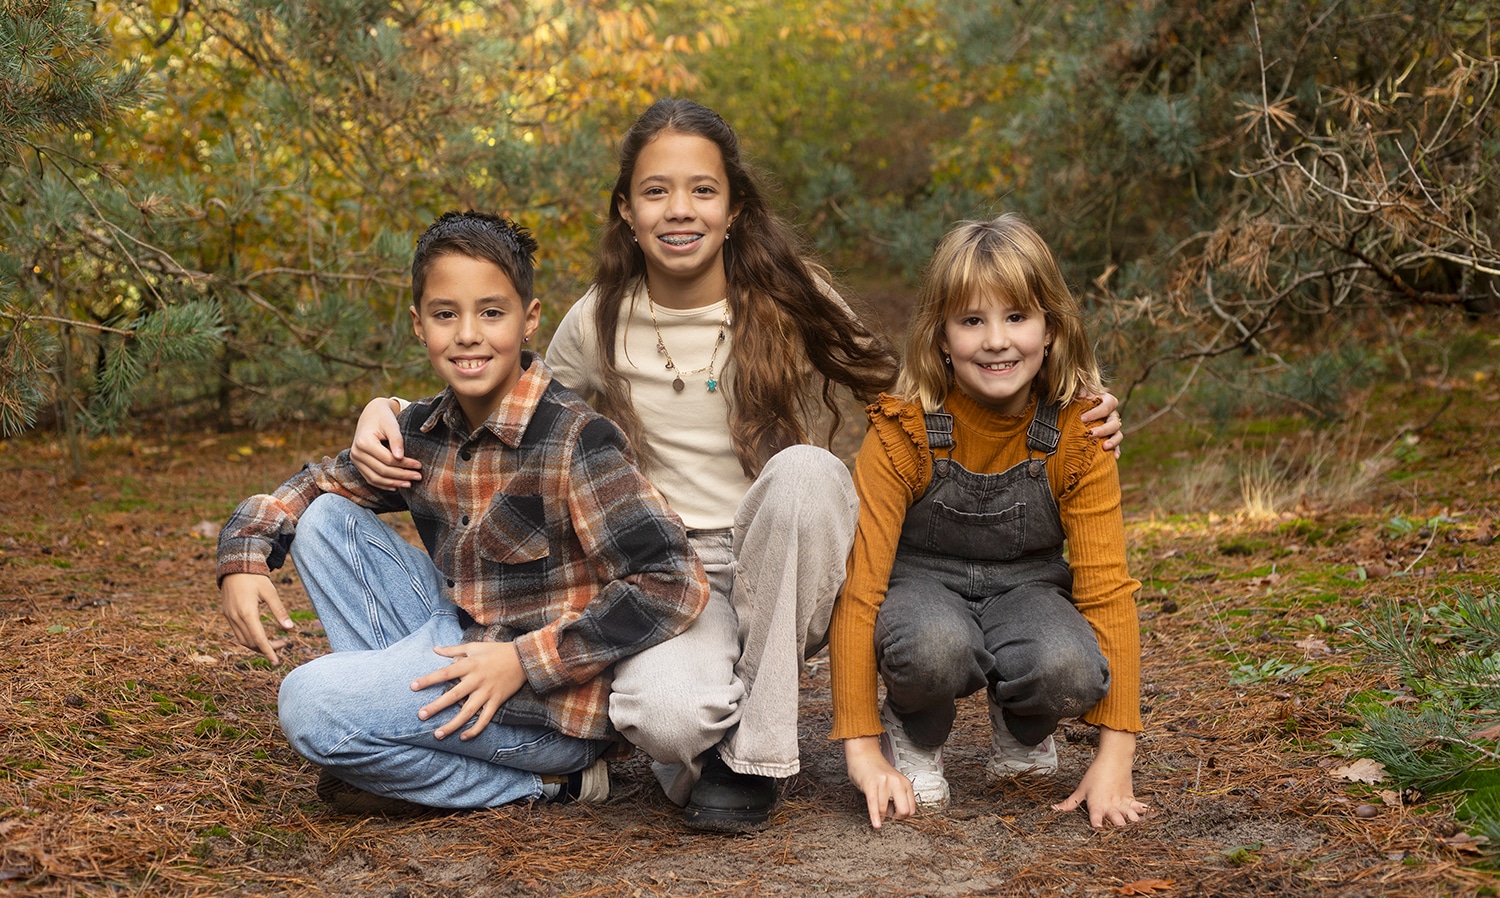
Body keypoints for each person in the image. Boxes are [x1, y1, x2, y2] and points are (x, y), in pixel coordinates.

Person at [347, 99, 1125, 832]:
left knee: (808, 472)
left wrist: (1065, 400)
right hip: (663, 569)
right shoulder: (598, 318)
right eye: (656, 191)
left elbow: (912, 382)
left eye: (701, 190)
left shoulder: (786, 297)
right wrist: (394, 413)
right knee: (663, 718)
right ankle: (701, 736)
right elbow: (515, 406)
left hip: (781, 551)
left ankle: (756, 760)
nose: (678, 209)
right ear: (626, 209)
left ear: (735, 208)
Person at [218, 211, 707, 813]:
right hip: (459, 639)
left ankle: (553, 785)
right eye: (446, 314)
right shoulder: (423, 432)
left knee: (308, 703)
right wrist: (245, 557)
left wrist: (526, 661)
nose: (468, 334)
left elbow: (673, 583)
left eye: (492, 312)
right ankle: (389, 736)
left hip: (545, 711)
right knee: (328, 520)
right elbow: (317, 485)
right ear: (419, 325)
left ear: (528, 321)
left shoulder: (576, 441)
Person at [828, 214, 1147, 831]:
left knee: (1071, 667)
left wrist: (1116, 759)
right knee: (934, 646)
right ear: (942, 338)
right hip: (921, 589)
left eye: (1017, 317)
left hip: (1028, 588)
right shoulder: (905, 431)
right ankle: (915, 731)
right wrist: (861, 746)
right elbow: (861, 588)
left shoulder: (1079, 436)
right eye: (972, 321)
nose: (996, 340)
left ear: (1050, 329)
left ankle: (1024, 723)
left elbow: (1109, 592)